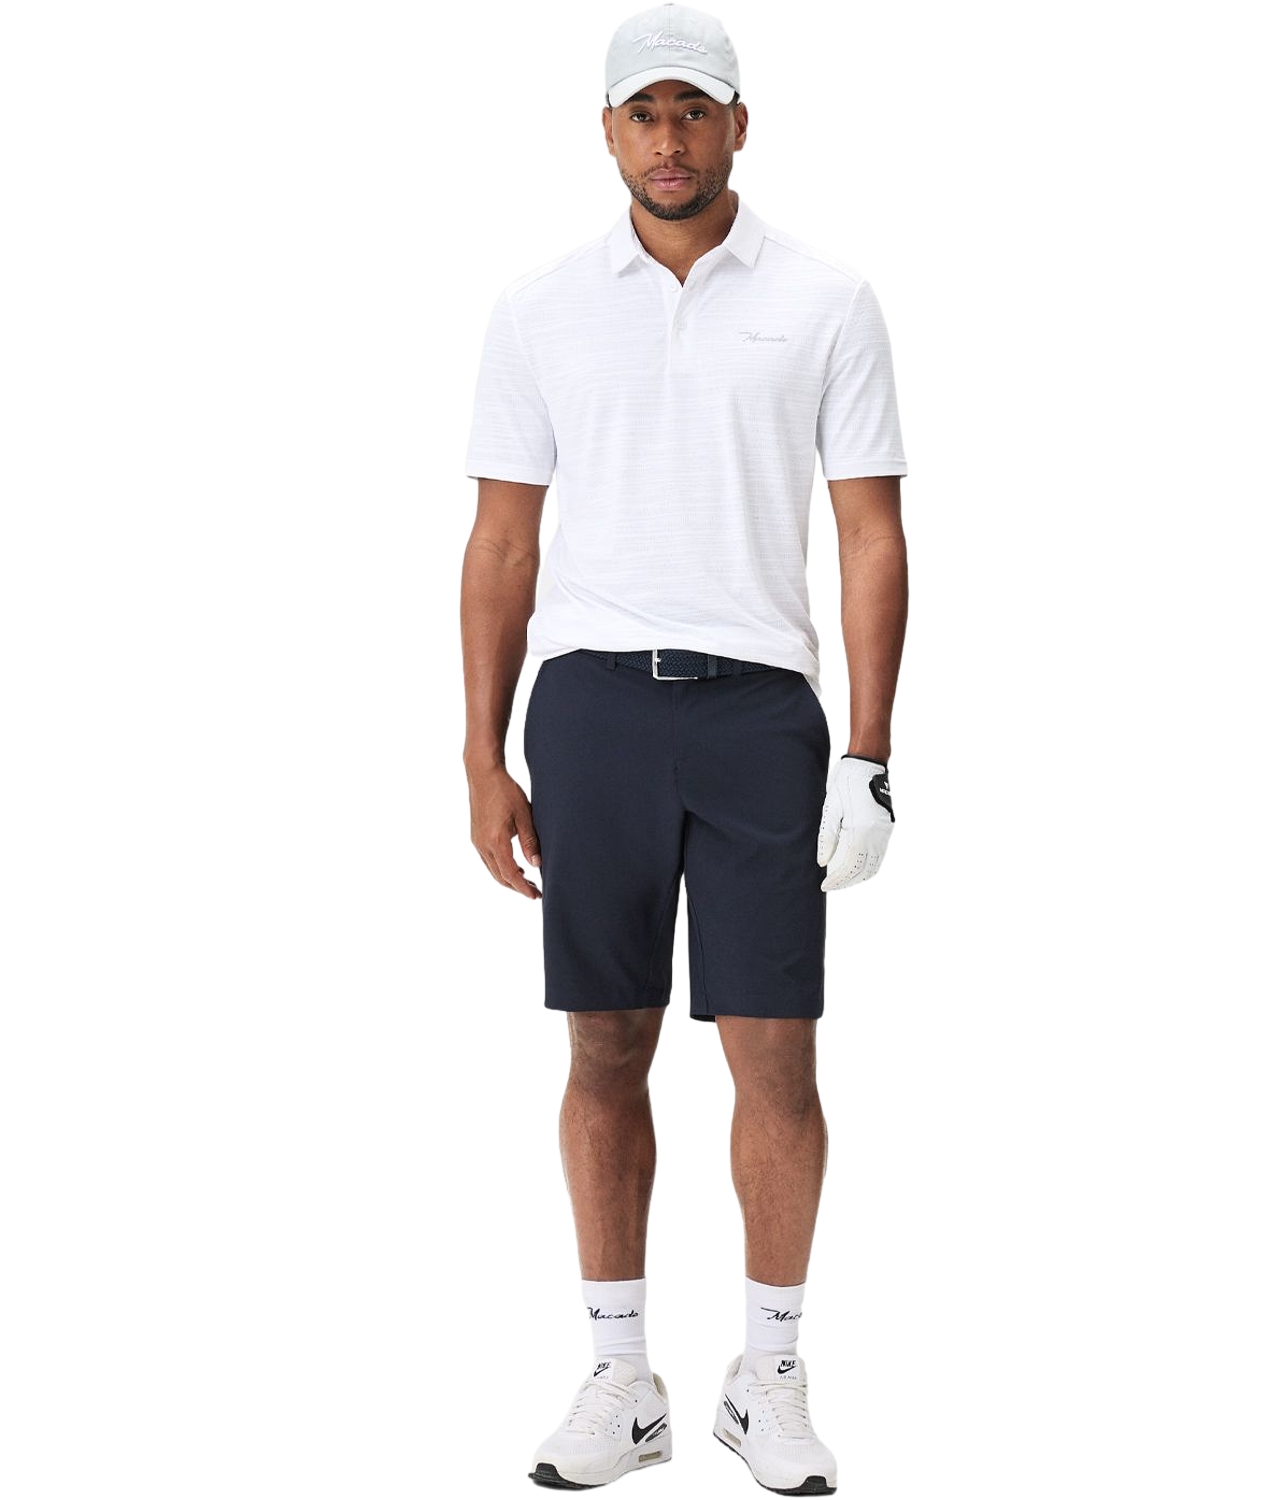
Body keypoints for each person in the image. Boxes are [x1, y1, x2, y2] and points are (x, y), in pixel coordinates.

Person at [460, 4, 907, 1491]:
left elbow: (869, 532)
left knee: (774, 1050)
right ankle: (620, 1378)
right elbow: (502, 543)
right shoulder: (538, 309)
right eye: (644, 113)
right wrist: (481, 754)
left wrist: (868, 751)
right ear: (607, 131)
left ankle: (768, 1375)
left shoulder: (828, 299)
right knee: (605, 1042)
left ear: (738, 125)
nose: (670, 138)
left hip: (759, 712)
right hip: (590, 709)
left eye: (694, 111)